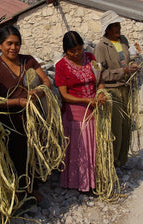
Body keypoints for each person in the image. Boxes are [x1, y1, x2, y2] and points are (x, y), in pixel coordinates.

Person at [0, 25, 51, 201]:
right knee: (16, 155)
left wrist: (38, 92)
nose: (13, 47)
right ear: (0, 45)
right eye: (9, 43)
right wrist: (17, 102)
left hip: (32, 117)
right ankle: (20, 192)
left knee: (33, 152)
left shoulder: (28, 61)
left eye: (17, 43)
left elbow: (46, 81)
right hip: (10, 122)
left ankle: (33, 187)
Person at [55, 31, 105, 192]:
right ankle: (78, 182)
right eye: (72, 51)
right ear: (65, 50)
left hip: (94, 109)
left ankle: (94, 180)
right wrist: (86, 100)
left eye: (79, 49)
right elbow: (64, 95)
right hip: (75, 113)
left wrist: (101, 93)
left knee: (94, 146)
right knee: (79, 148)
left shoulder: (90, 58)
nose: (77, 54)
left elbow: (100, 80)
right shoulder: (61, 66)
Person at [94, 10, 139, 167]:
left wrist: (132, 66)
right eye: (115, 26)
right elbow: (101, 75)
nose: (118, 28)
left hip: (125, 88)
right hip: (112, 91)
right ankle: (111, 162)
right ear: (107, 29)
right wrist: (123, 71)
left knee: (126, 124)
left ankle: (121, 160)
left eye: (118, 25)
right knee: (115, 127)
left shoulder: (123, 41)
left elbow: (126, 61)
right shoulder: (101, 47)